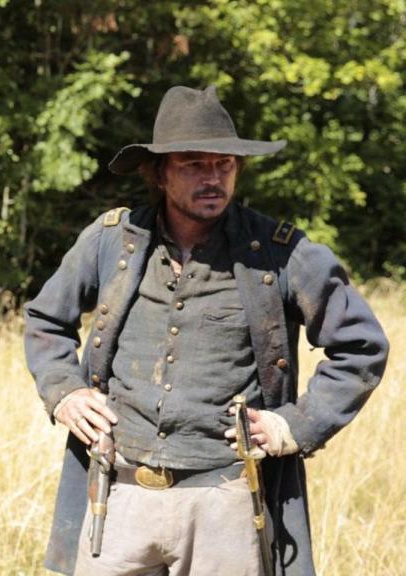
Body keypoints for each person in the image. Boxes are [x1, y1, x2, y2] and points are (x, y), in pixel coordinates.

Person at [24, 85, 389, 576]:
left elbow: (361, 347)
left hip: (226, 503)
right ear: (159, 172)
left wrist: (295, 425)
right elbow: (46, 319)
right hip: (118, 498)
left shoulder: (278, 252)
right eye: (194, 164)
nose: (213, 177)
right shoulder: (113, 240)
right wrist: (63, 391)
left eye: (225, 164)